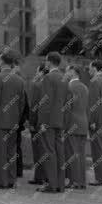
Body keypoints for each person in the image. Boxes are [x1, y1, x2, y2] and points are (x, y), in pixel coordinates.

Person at [0, 50, 26, 189]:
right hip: (13, 121)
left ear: (2, 61)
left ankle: (0, 181)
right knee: (11, 153)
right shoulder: (19, 80)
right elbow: (22, 103)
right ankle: (11, 180)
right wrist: (17, 119)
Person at [37, 51, 69, 193]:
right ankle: (60, 184)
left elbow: (45, 101)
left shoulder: (48, 78)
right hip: (60, 120)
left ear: (49, 62)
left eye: (46, 60)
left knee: (49, 151)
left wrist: (42, 122)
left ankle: (51, 183)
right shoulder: (64, 78)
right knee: (59, 151)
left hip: (49, 120)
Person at [63, 64, 89, 189]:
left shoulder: (69, 86)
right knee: (81, 154)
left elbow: (67, 108)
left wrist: (64, 125)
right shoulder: (84, 87)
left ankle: (74, 181)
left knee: (72, 153)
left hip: (72, 124)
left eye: (67, 71)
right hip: (83, 123)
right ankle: (81, 181)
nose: (65, 73)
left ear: (73, 72)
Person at [28, 64, 48, 185]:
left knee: (38, 150)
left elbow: (34, 105)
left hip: (38, 123)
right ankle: (47, 175)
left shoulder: (37, 85)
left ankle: (39, 176)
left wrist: (31, 122)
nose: (36, 74)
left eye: (37, 71)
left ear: (41, 72)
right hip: (50, 122)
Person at [14, 63, 29, 179]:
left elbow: (24, 107)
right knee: (17, 146)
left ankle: (17, 169)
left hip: (15, 122)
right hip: (18, 123)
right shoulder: (23, 90)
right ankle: (18, 170)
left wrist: (20, 120)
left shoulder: (20, 90)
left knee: (14, 146)